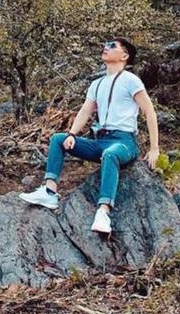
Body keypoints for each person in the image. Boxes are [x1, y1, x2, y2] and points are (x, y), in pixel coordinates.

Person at [19, 36, 159, 235]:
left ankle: (103, 211)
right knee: (58, 139)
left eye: (112, 46)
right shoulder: (97, 84)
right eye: (105, 45)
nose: (106, 48)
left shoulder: (130, 80)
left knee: (111, 154)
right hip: (100, 141)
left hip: (124, 142)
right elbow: (85, 111)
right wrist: (71, 134)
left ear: (124, 56)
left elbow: (149, 111)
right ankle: (50, 191)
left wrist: (154, 148)